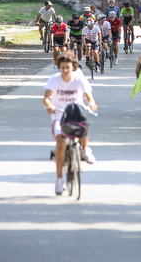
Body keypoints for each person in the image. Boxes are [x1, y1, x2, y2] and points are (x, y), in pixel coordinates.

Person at [43, 51, 98, 195]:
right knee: (61, 143)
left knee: (84, 122)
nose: (65, 70)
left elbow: (88, 96)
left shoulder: (79, 79)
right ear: (59, 67)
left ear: (73, 67)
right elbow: (46, 98)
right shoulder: (54, 79)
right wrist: (49, 105)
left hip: (76, 113)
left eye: (68, 67)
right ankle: (59, 179)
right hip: (59, 115)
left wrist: (92, 104)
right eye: (62, 68)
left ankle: (85, 150)